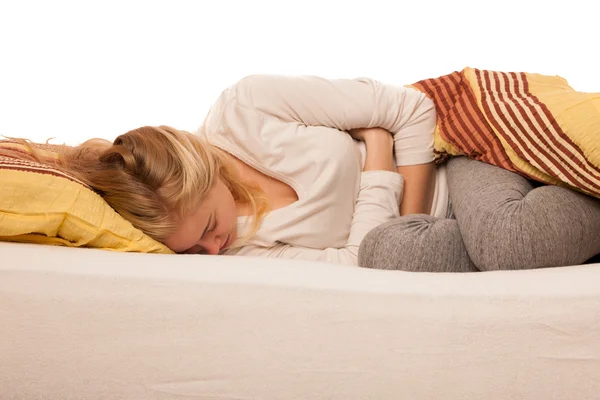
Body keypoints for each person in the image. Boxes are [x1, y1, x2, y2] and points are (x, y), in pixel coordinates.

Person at [44, 74, 600, 270]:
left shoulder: (248, 107)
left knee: (503, 240)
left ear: (203, 169)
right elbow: (356, 259)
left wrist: (407, 220)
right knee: (390, 257)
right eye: (193, 251)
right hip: (416, 233)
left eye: (210, 227)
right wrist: (376, 158)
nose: (214, 250)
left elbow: (409, 110)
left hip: (456, 167)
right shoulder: (235, 252)